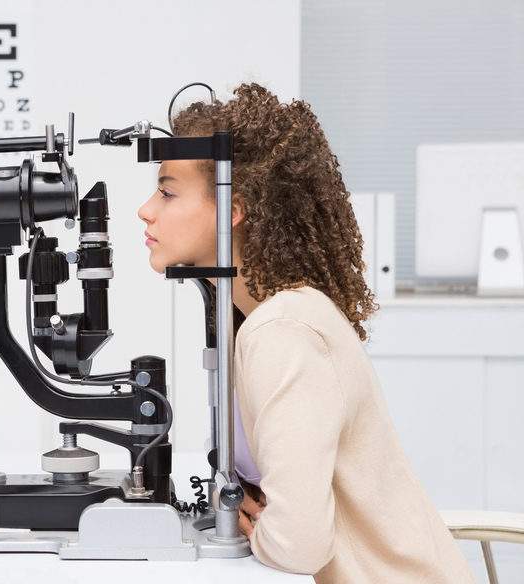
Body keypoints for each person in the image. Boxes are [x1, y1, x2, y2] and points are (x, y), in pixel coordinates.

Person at [138, 83, 474, 583]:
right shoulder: (255, 316)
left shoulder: (282, 331)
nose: (146, 209)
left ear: (234, 209)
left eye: (167, 191)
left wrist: (258, 525)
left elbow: (298, 546)